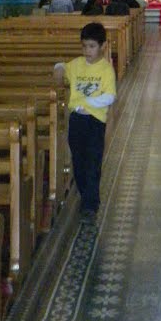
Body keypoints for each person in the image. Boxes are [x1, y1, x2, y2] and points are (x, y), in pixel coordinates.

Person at [54, 22, 117, 220]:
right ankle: (85, 194)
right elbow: (62, 71)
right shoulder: (76, 65)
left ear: (102, 46)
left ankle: (90, 203)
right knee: (78, 161)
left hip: (95, 121)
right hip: (77, 120)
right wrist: (58, 67)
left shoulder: (106, 69)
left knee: (93, 161)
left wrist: (87, 102)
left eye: (92, 46)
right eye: (84, 46)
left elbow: (110, 96)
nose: (87, 51)